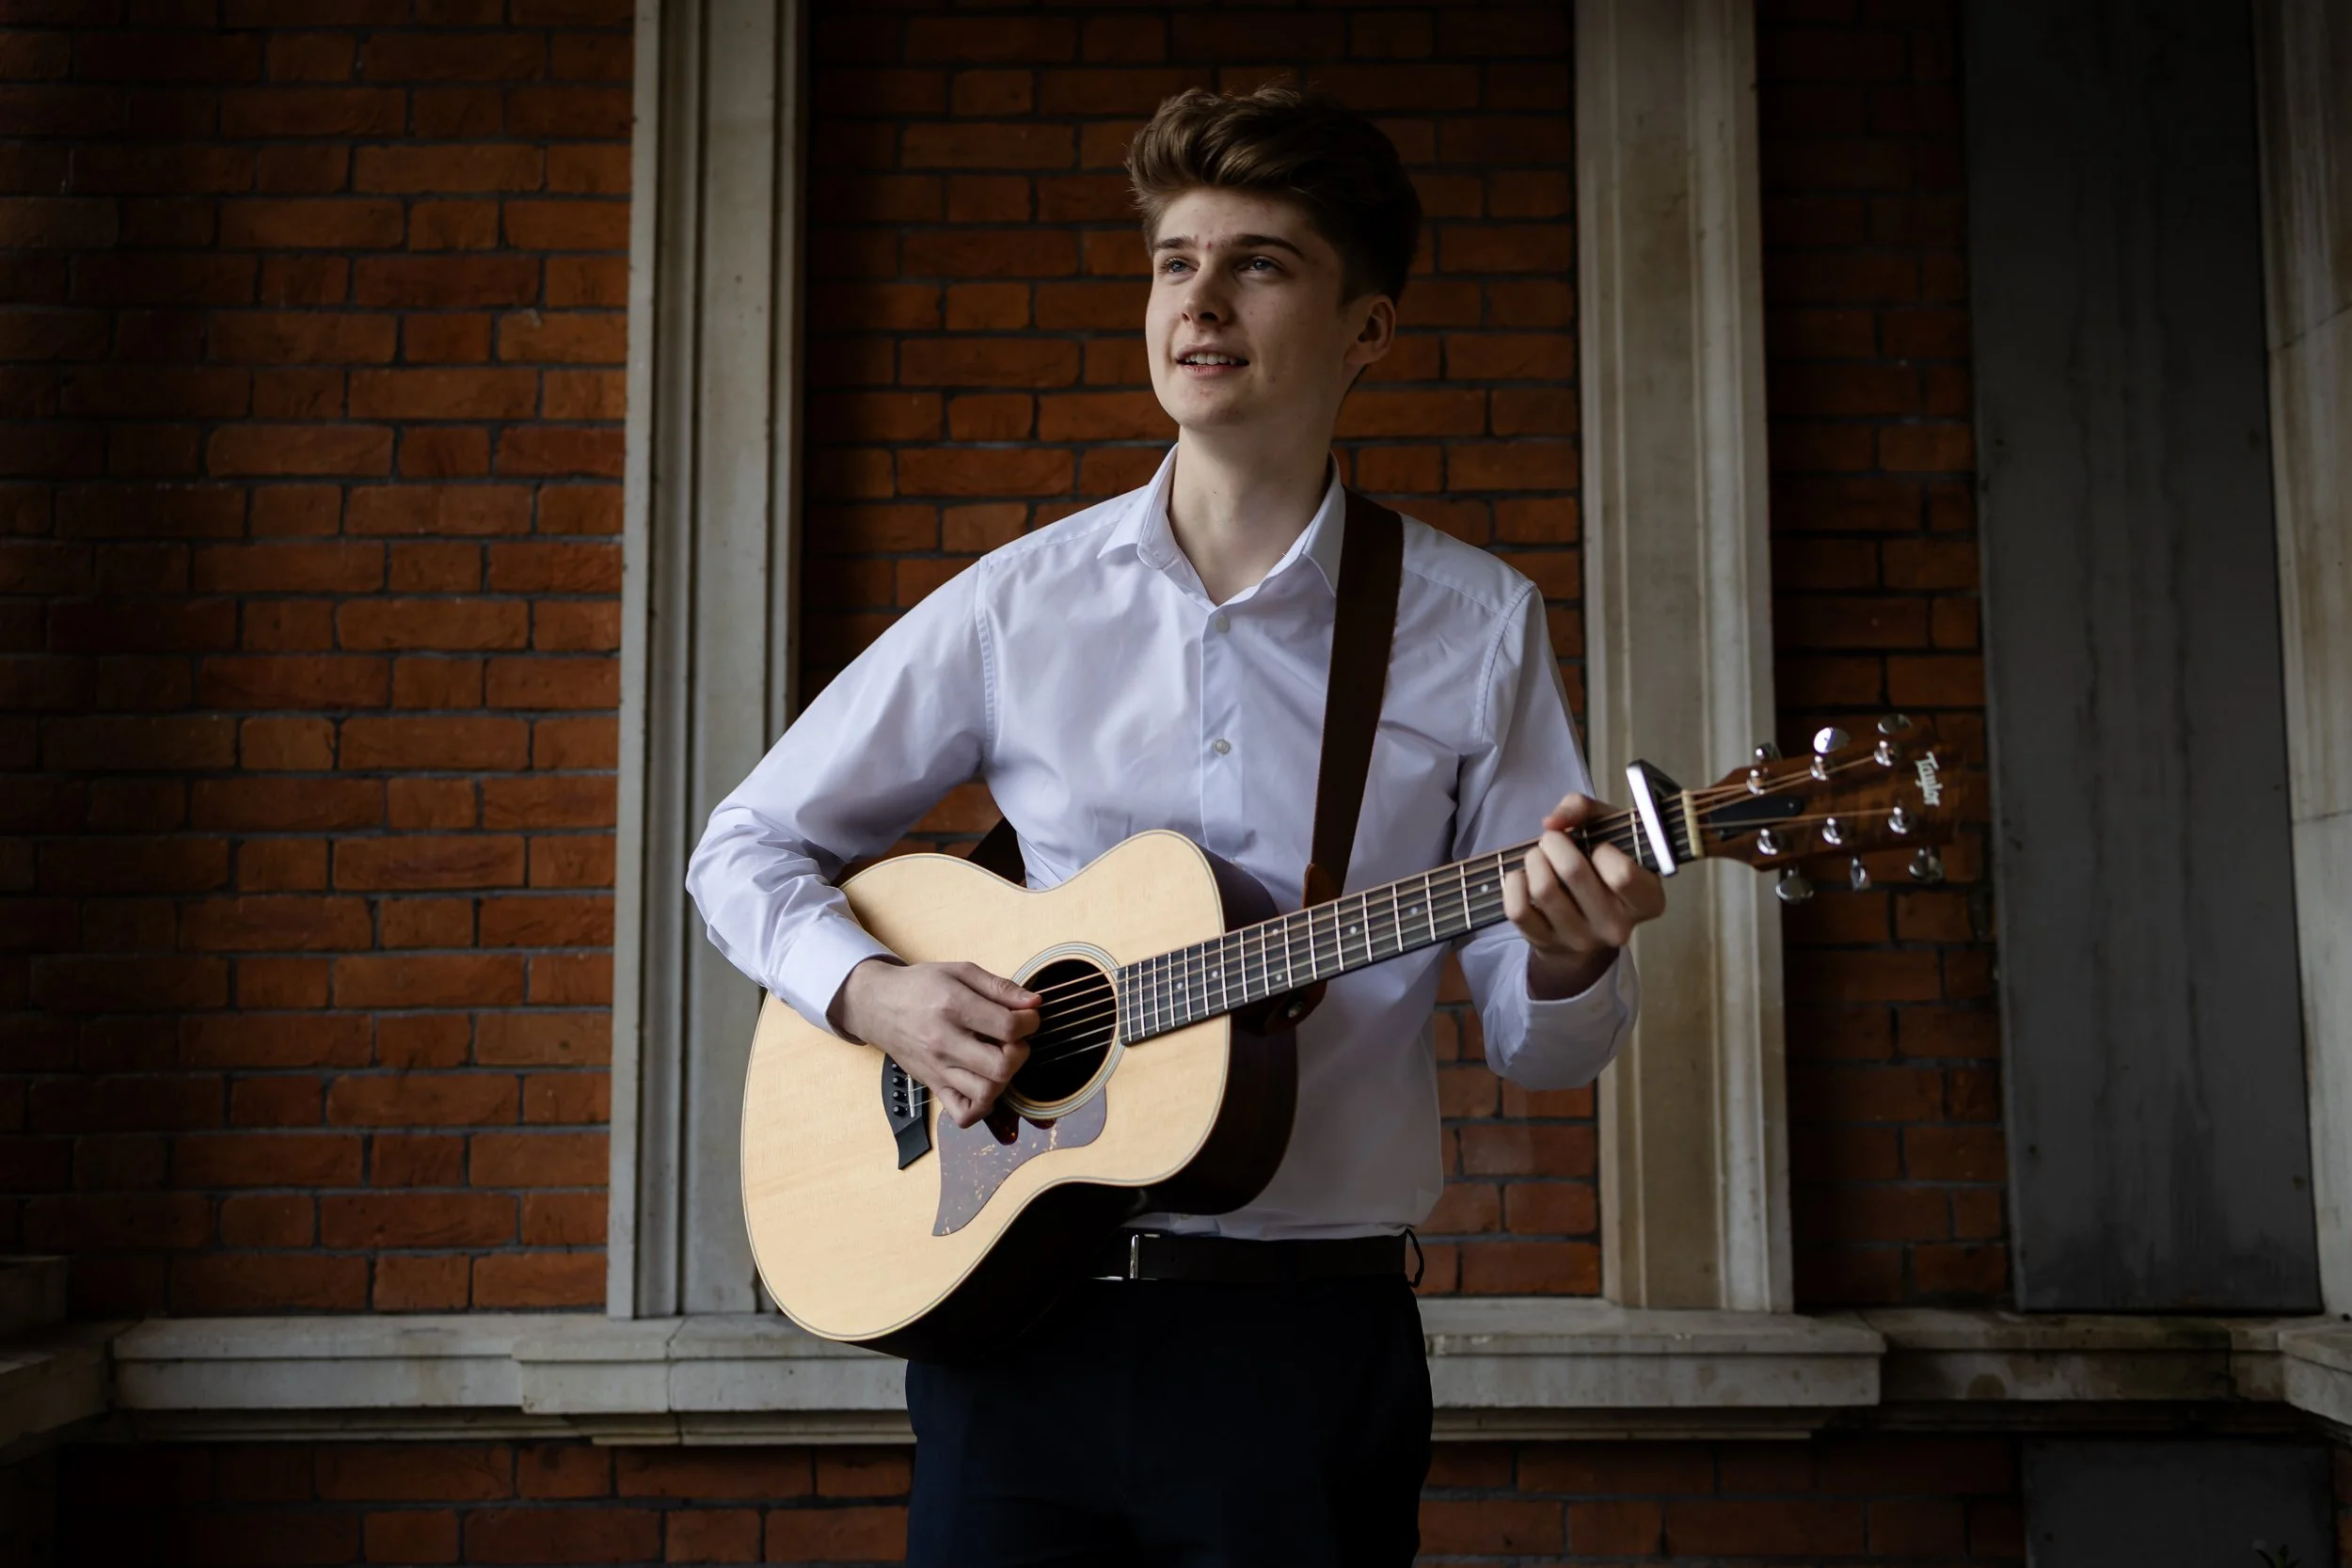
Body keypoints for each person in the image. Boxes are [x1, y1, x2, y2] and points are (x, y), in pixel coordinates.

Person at [688, 85, 1666, 1568]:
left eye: (1260, 262)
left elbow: (1538, 1044)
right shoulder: (1024, 604)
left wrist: (1579, 962)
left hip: (1301, 1346)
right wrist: (877, 989)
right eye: (1173, 261)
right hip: (1015, 1330)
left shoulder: (1472, 626)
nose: (1199, 300)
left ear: (1368, 331)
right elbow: (741, 845)